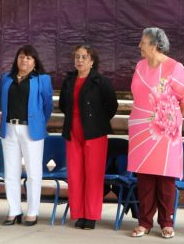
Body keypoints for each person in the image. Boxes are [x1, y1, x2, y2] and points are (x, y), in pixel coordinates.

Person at [128, 27, 184, 239]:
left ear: (155, 45)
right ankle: (144, 222)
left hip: (165, 129)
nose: (139, 45)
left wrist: (172, 116)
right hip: (141, 128)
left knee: (165, 177)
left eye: (143, 42)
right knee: (145, 177)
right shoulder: (140, 66)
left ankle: (167, 222)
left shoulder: (175, 68)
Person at [59, 45, 118, 230]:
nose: (80, 60)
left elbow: (112, 105)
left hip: (95, 132)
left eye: (84, 57)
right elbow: (62, 104)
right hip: (72, 131)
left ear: (92, 61)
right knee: (75, 175)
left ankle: (91, 215)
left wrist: (97, 121)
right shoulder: (69, 80)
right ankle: (78, 214)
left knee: (93, 174)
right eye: (77, 56)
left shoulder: (100, 81)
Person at [0, 45, 54, 227]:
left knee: (33, 173)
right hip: (9, 129)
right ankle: (14, 210)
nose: (24, 60)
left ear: (35, 61)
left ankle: (32, 211)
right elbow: (2, 101)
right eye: (22, 56)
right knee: (10, 172)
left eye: (29, 58)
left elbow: (47, 106)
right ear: (17, 58)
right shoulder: (6, 79)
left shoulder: (42, 79)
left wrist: (38, 122)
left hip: (31, 130)